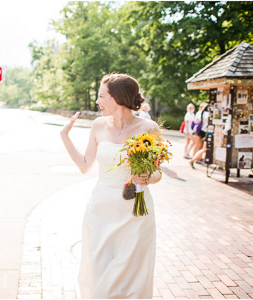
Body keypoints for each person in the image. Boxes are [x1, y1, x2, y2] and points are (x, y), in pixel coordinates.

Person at [59, 73, 160, 298]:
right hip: (100, 211)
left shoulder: (149, 128)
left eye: (102, 96)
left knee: (130, 274)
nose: (98, 101)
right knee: (97, 270)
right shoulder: (98, 125)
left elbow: (157, 172)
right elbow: (85, 165)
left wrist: (147, 177)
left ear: (118, 97)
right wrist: (65, 136)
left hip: (135, 212)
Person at [189, 102, 210, 168]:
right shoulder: (206, 114)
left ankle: (196, 158)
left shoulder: (201, 113)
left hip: (200, 130)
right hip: (203, 131)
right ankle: (193, 158)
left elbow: (196, 121)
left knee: (200, 146)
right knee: (200, 146)